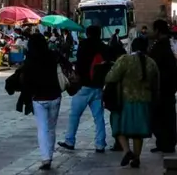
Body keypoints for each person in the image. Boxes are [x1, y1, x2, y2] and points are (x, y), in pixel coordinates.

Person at [105, 34, 160, 168]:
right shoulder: (151, 63)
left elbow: (110, 77)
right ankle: (136, 158)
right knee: (137, 132)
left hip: (125, 100)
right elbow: (156, 84)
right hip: (145, 101)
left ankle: (126, 151)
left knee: (119, 127)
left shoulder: (125, 60)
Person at [59, 25, 109, 153]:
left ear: (87, 34)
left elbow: (80, 65)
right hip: (98, 86)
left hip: (84, 86)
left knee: (75, 115)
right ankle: (100, 144)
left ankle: (70, 140)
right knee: (98, 117)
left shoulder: (84, 46)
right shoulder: (103, 46)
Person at [21, 33, 63, 171]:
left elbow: (26, 80)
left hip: (39, 98)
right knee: (51, 128)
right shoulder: (53, 55)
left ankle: (46, 158)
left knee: (42, 128)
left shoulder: (30, 59)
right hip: (55, 96)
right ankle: (49, 155)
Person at [149, 19, 177, 153]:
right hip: (167, 87)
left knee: (161, 117)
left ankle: (167, 143)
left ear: (158, 31)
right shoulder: (164, 44)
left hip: (163, 87)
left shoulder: (161, 46)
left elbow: (154, 66)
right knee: (165, 116)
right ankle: (163, 143)